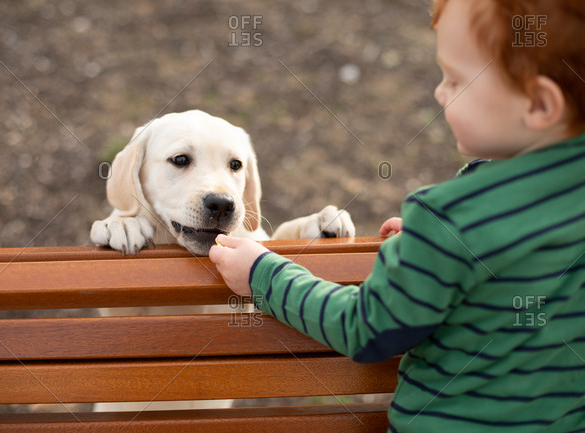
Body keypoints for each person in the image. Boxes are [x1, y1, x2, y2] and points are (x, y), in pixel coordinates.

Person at [210, 0, 585, 431]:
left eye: (456, 79)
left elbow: (367, 328)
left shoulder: (450, 217)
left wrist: (262, 274)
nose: (439, 92)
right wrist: (436, 254)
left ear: (538, 104)